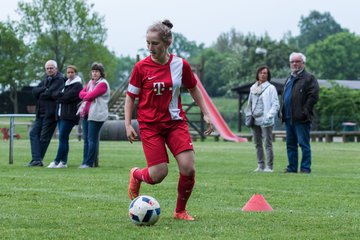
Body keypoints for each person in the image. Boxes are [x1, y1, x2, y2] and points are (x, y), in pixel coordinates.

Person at [125, 19, 213, 221]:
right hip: (150, 126)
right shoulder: (141, 67)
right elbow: (130, 97)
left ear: (167, 43)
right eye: (147, 43)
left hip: (175, 123)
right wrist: (128, 124)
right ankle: (137, 174)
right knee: (158, 175)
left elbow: (193, 88)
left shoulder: (180, 65)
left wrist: (206, 112)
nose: (150, 48)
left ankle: (180, 211)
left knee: (188, 167)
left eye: (154, 43)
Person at [280, 52, 319, 173]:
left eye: (297, 61)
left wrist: (304, 111)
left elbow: (313, 97)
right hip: (288, 118)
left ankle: (305, 168)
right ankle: (292, 168)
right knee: (290, 145)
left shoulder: (309, 78)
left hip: (301, 118)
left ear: (303, 63)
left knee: (303, 144)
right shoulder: (289, 78)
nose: (294, 64)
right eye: (292, 61)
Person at [28, 60, 65, 167]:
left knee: (44, 137)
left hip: (51, 113)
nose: (49, 70)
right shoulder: (45, 80)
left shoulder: (60, 79)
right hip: (40, 113)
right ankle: (36, 159)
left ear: (56, 69)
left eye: (51, 68)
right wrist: (44, 89)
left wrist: (43, 92)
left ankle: (37, 160)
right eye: (47, 68)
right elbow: (34, 91)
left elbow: (49, 94)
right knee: (33, 133)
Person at [47, 65, 83, 168]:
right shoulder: (66, 84)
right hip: (61, 115)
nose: (70, 74)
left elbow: (66, 97)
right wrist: (59, 96)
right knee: (64, 139)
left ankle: (56, 160)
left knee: (62, 137)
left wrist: (59, 96)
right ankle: (63, 162)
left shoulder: (77, 85)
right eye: (68, 72)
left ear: (75, 73)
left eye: (72, 72)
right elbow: (55, 95)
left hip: (69, 116)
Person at [245, 66, 279, 173]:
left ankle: (269, 167)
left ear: (268, 75)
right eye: (261, 73)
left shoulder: (271, 88)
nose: (263, 75)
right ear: (257, 74)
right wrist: (248, 114)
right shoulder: (253, 88)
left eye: (265, 73)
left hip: (265, 119)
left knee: (267, 144)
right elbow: (249, 103)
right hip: (254, 119)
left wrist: (269, 116)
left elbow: (275, 104)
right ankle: (260, 165)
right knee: (257, 143)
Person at [78, 63, 110, 168]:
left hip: (96, 115)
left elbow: (90, 95)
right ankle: (85, 161)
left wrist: (86, 95)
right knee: (86, 140)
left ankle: (89, 163)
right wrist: (86, 95)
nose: (94, 73)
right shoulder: (90, 83)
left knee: (92, 139)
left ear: (101, 73)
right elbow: (81, 94)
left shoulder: (103, 84)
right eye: (93, 71)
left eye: (97, 71)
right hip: (86, 114)